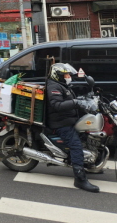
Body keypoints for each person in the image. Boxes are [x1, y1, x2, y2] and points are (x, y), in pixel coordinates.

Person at [46, 63, 100, 193]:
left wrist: (85, 99)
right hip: (61, 123)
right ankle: (80, 179)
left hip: (69, 119)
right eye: (66, 74)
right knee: (76, 146)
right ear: (57, 75)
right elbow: (57, 104)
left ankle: (89, 164)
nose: (68, 76)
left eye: (69, 74)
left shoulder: (62, 85)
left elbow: (69, 99)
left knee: (85, 137)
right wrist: (77, 102)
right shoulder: (53, 86)